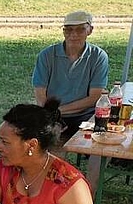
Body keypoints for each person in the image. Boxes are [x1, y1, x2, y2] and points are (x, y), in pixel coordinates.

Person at [32, 10, 109, 141]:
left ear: (90, 30)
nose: (73, 35)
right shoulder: (46, 55)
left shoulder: (98, 56)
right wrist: (51, 116)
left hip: (86, 115)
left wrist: (59, 111)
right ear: (63, 32)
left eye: (80, 30)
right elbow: (40, 94)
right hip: (51, 114)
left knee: (101, 140)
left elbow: (95, 97)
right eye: (68, 30)